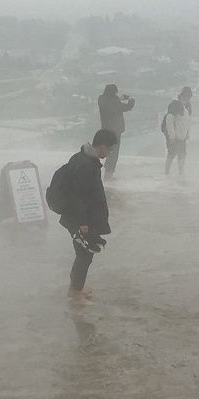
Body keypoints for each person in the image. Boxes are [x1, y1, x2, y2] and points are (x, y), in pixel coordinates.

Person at [57, 129, 118, 306]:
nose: (110, 153)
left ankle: (76, 288)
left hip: (79, 217)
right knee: (84, 254)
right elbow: (79, 197)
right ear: (102, 146)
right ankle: (75, 293)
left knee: (83, 253)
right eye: (110, 149)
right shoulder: (86, 165)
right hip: (80, 219)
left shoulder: (83, 158)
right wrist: (83, 223)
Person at [97, 84, 135, 180]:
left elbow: (111, 102)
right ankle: (108, 175)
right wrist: (131, 99)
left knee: (109, 152)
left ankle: (107, 174)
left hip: (105, 130)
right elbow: (128, 107)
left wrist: (119, 99)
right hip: (115, 131)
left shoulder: (102, 100)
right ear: (114, 92)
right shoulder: (114, 102)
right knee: (114, 153)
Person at [163, 100, 190, 175]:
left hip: (182, 138)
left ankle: (181, 172)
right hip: (174, 139)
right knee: (171, 155)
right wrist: (172, 138)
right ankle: (167, 173)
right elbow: (170, 127)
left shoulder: (184, 112)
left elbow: (186, 124)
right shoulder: (170, 115)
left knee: (182, 155)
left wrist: (187, 133)